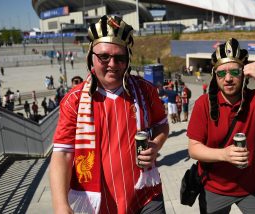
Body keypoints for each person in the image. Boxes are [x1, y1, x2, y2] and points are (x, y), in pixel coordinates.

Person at [49, 15, 169, 214]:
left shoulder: (146, 90)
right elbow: (62, 153)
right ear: (91, 57)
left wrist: (155, 146)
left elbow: (162, 125)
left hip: (147, 194)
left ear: (127, 59)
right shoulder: (74, 100)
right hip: (99, 204)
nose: (112, 63)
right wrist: (60, 204)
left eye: (120, 57)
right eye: (104, 56)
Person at [187, 38, 255, 213]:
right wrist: (224, 154)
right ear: (215, 76)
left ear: (243, 73)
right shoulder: (203, 104)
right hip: (215, 188)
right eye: (221, 73)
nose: (228, 79)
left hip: (253, 187)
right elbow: (193, 149)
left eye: (234, 72)